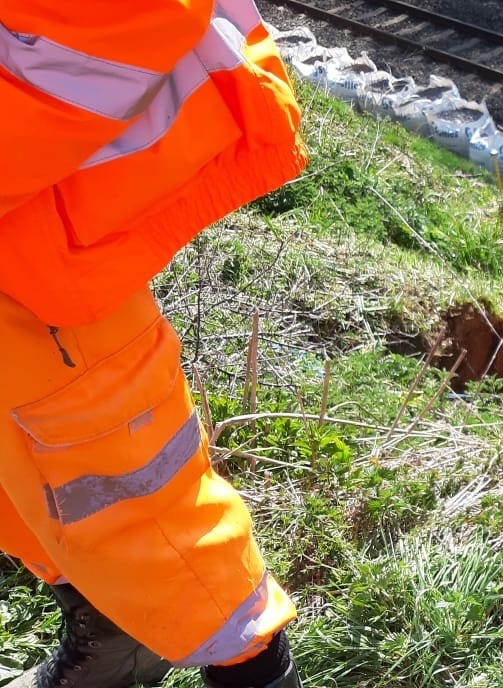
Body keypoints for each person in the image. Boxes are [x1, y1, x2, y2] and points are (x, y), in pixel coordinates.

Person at [1, 2, 308, 687]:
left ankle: (251, 671)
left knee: (140, 514)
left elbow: (128, 17)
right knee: (30, 493)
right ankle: (114, 635)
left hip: (38, 256)